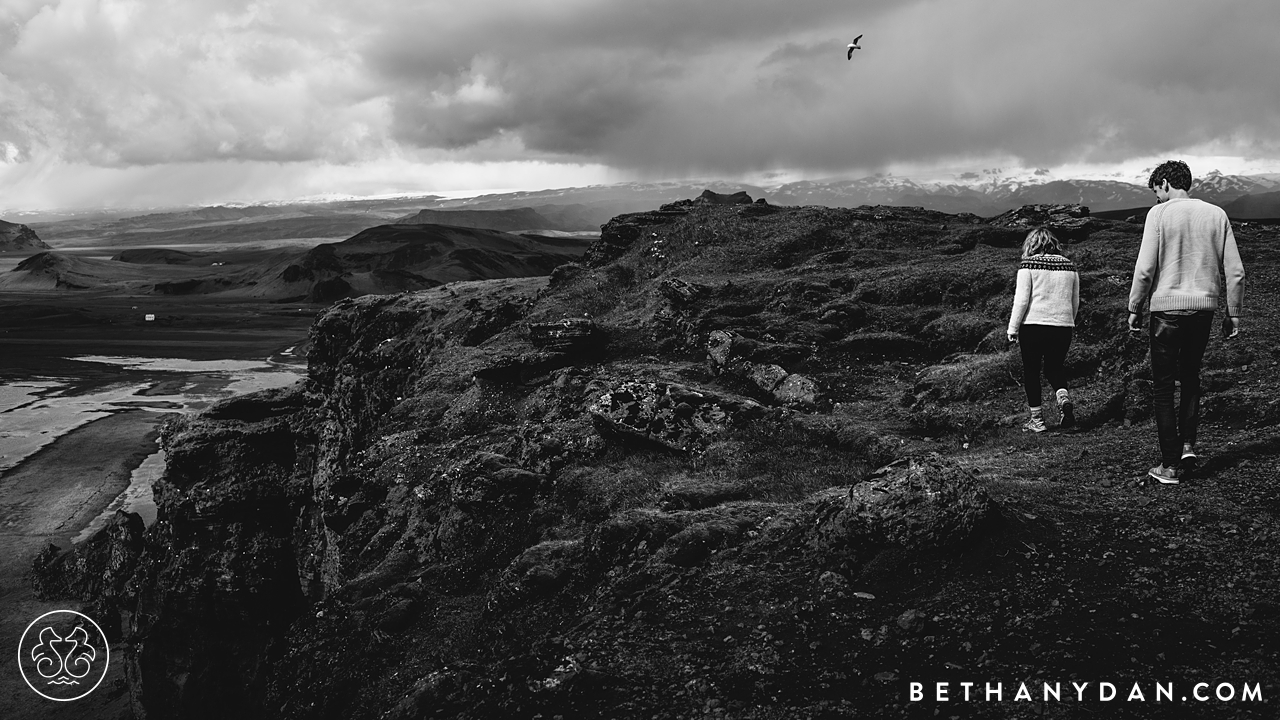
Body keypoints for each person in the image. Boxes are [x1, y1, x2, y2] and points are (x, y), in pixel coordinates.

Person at [1128, 160, 1245, 485]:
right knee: (1191, 377)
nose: (1157, 200)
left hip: (1166, 310)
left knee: (1164, 388)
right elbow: (1236, 272)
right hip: (1203, 310)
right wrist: (1233, 313)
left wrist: (1135, 306)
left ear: (1165, 183)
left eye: (1157, 193)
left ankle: (1169, 467)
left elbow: (1144, 270)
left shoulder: (1160, 215)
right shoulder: (1216, 214)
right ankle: (1188, 446)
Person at [1008, 227, 1080, 433]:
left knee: (1031, 371)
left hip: (1033, 326)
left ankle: (1037, 421)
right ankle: (1062, 397)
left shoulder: (1028, 265)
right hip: (1062, 326)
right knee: (1055, 367)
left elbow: (1021, 300)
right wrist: (1068, 321)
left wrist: (1012, 328)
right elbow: (1074, 300)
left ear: (1031, 244)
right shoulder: (1069, 266)